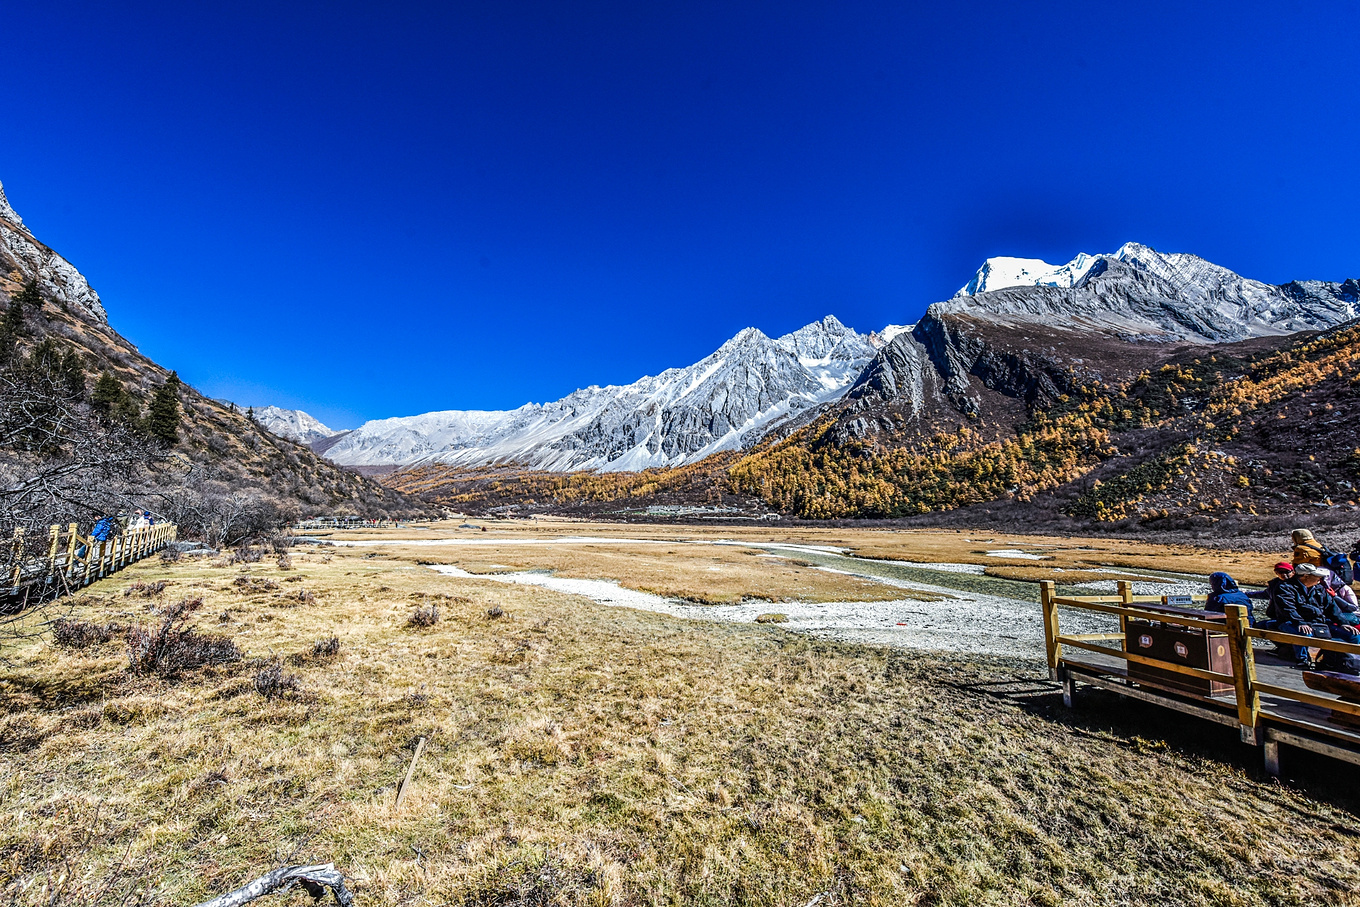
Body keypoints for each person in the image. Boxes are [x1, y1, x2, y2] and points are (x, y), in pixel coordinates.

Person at [1271, 563, 1333, 668]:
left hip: (1317, 622)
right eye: (1317, 576)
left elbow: (1332, 607)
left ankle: (1339, 661)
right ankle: (1302, 660)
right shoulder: (1284, 588)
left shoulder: (1319, 588)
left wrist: (1343, 623)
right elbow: (1288, 609)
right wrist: (1300, 622)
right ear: (1306, 576)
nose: (1320, 578)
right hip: (1290, 622)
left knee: (1350, 635)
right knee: (1303, 632)